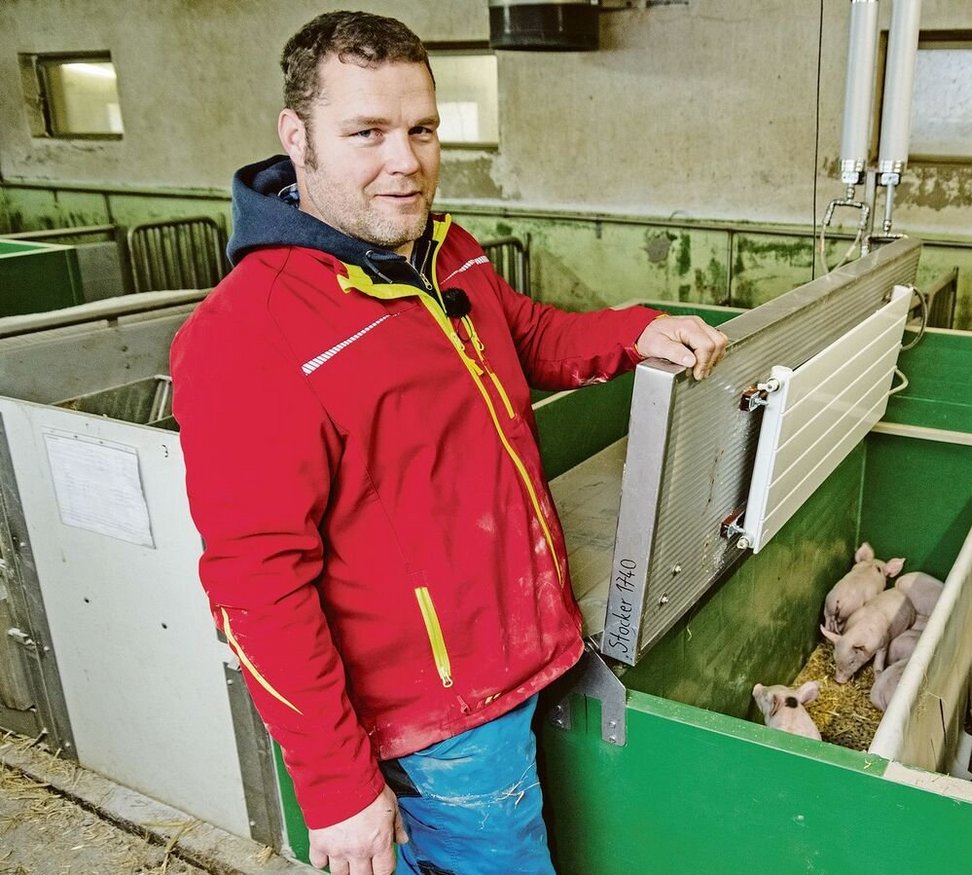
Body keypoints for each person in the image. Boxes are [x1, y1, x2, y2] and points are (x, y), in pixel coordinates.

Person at [170, 11, 726, 875]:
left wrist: (638, 330)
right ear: (297, 137)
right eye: (368, 132)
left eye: (423, 129)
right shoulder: (249, 334)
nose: (407, 160)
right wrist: (337, 787)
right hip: (438, 724)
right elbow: (256, 587)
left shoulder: (442, 250)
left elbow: (528, 333)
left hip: (529, 650)